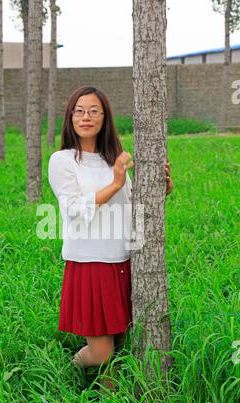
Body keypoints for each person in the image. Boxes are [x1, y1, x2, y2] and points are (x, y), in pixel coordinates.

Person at [48, 85, 173, 381]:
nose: (85, 117)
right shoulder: (62, 160)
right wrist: (115, 184)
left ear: (105, 118)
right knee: (102, 352)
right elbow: (74, 208)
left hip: (121, 259)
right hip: (89, 263)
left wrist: (161, 190)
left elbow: (131, 206)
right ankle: (68, 371)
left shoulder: (112, 159)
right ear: (70, 117)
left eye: (94, 111)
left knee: (117, 344)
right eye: (79, 111)